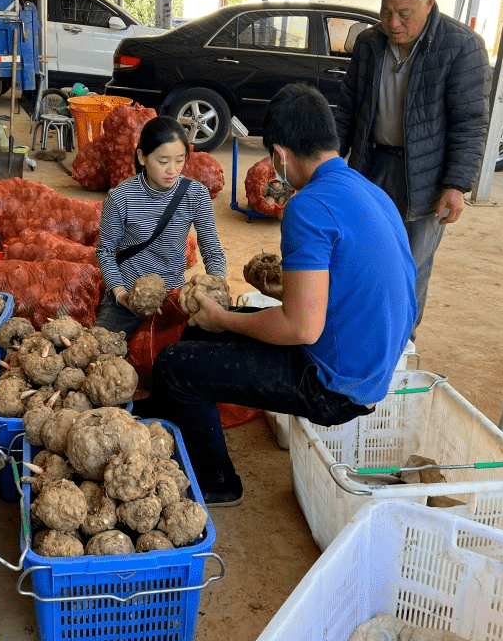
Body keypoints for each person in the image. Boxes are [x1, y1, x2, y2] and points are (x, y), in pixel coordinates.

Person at [136, 83, 416, 506]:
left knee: (177, 364)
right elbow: (359, 279)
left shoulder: (308, 206)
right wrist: (285, 288)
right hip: (373, 367)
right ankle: (159, 429)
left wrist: (224, 319)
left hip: (334, 385)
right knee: (199, 337)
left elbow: (300, 326)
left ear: (280, 155)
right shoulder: (369, 190)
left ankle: (218, 483)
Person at [334, 0, 491, 336]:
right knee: (360, 253)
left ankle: (401, 341)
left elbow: (470, 123)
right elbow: (348, 108)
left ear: (429, 3)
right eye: (386, 11)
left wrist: (456, 185)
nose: (392, 23)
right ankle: (358, 335)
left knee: (411, 262)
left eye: (404, 13)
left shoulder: (461, 47)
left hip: (424, 176)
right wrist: (326, 163)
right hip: (371, 166)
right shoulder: (370, 43)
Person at [95, 115, 227, 338]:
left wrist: (216, 289)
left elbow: (212, 251)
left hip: (175, 296)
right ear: (142, 157)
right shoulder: (121, 197)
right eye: (163, 161)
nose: (172, 170)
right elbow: (105, 251)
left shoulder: (196, 195)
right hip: (129, 296)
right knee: (100, 348)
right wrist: (120, 295)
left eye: (180, 160)